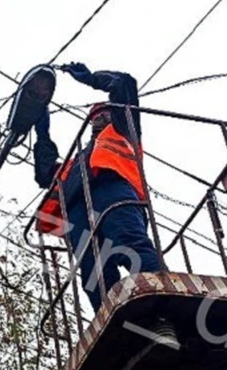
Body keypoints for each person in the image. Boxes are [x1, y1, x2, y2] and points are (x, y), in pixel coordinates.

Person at [33, 64, 164, 312]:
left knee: (130, 243)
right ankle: (119, 327)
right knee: (94, 273)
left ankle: (163, 309)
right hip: (78, 210)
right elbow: (45, 172)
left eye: (102, 113)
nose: (98, 118)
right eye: (94, 116)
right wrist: (41, 127)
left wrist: (91, 78)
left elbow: (124, 83)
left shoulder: (122, 130)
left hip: (113, 190)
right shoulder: (74, 164)